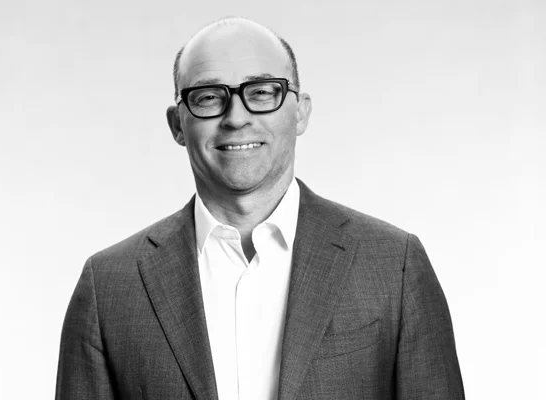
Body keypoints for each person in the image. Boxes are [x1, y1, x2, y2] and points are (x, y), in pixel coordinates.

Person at [55, 17, 465, 400]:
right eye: (209, 97)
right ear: (178, 125)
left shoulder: (394, 265)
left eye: (262, 92)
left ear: (300, 112)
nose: (236, 118)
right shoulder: (108, 286)